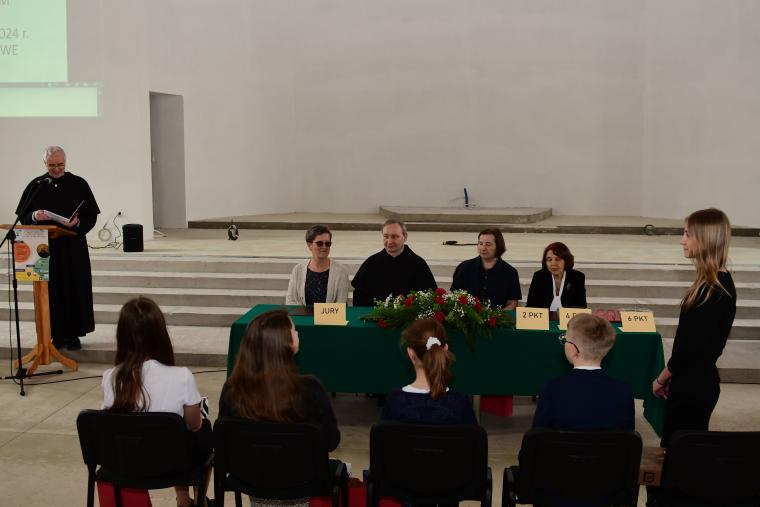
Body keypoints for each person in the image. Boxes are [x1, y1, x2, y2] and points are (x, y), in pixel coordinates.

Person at [102, 297, 211, 507]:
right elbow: (194, 424)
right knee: (203, 428)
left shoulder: (110, 378)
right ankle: (195, 501)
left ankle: (183, 499)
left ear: (122, 336)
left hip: (127, 463)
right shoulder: (182, 376)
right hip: (172, 464)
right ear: (160, 334)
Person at [652, 208, 736, 447]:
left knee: (681, 456)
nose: (682, 240)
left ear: (706, 238)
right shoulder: (714, 283)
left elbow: (689, 348)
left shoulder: (713, 290)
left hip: (694, 387)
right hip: (693, 380)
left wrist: (661, 379)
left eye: (688, 234)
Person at [16, 146, 100, 350]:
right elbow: (23, 216)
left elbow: (91, 215)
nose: (56, 169)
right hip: (43, 249)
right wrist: (35, 216)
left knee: (74, 289)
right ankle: (54, 335)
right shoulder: (36, 185)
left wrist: (77, 223)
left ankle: (73, 335)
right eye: (51, 165)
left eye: (60, 164)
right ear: (44, 163)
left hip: (72, 248)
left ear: (66, 162)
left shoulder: (78, 184)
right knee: (51, 292)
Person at [219, 309, 340, 449]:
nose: (297, 333)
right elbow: (331, 441)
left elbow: (223, 441)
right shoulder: (311, 389)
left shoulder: (232, 389)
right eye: (294, 330)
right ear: (285, 342)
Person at [531, 313, 634, 430]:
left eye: (565, 340)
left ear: (573, 349)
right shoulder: (624, 390)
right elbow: (627, 435)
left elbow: (538, 434)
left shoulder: (552, 388)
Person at [382, 319, 476, 424]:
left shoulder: (394, 402)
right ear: (445, 349)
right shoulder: (461, 403)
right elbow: (474, 434)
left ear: (410, 353)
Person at [351, 219, 436, 307]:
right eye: (386, 236)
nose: (389, 241)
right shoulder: (371, 263)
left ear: (405, 237)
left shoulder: (418, 264)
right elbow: (360, 297)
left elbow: (429, 297)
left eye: (394, 236)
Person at [450, 228, 521, 310]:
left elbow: (512, 303)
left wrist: (498, 315)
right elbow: (454, 295)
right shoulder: (464, 267)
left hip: (498, 317)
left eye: (488, 244)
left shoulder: (510, 272)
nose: (483, 248)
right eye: (480, 244)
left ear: (498, 246)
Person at [285, 224, 350, 305]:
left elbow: (341, 303)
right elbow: (290, 300)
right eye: (319, 243)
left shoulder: (340, 271)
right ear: (310, 245)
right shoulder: (298, 270)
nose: (324, 247)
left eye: (327, 243)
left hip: (330, 314)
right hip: (301, 313)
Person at [526, 242, 587, 312]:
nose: (553, 264)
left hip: (569, 318)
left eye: (557, 259)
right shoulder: (539, 277)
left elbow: (581, 307)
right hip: (544, 318)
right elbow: (531, 306)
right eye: (549, 260)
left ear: (566, 261)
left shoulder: (577, 277)